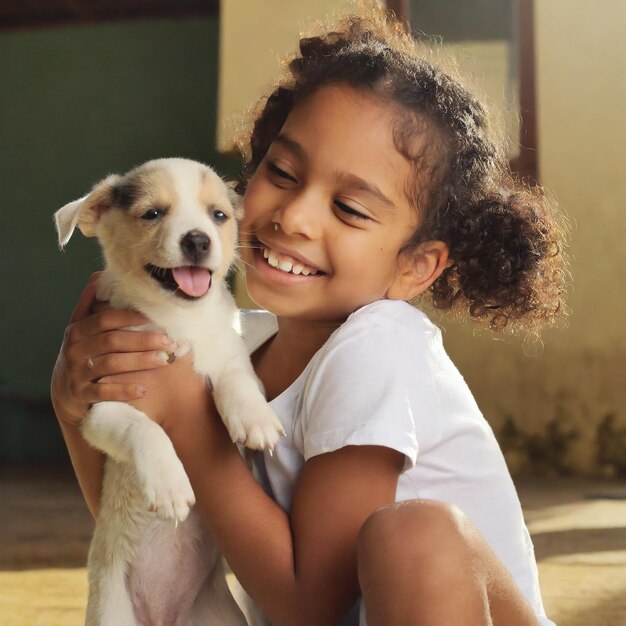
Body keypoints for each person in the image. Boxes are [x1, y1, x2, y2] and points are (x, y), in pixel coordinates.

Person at [51, 10, 568, 626]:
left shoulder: (376, 347)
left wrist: (187, 418)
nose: (294, 217)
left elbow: (312, 606)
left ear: (415, 267)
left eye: (349, 208)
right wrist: (74, 397)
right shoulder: (240, 341)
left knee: (417, 536)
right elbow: (159, 526)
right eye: (283, 172)